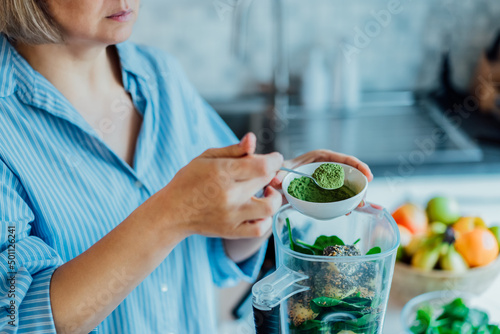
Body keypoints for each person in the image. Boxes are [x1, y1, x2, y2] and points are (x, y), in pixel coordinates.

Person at [0, 1, 373, 333]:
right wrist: (171, 215)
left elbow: (213, 253)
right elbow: (15, 320)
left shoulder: (162, 76)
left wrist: (264, 196)